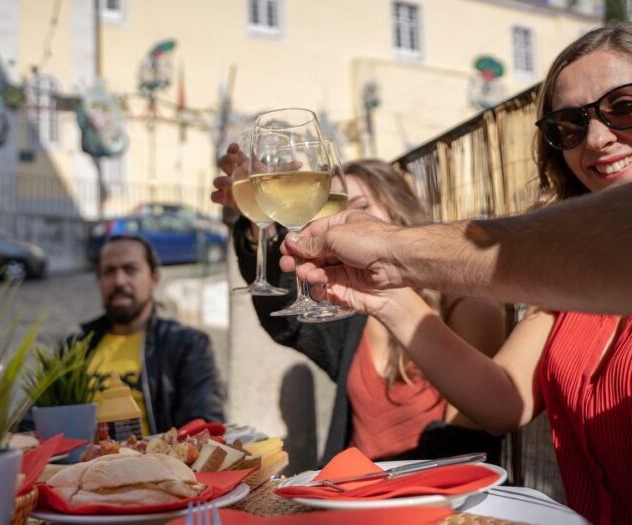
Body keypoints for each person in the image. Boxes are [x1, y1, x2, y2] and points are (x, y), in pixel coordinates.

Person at [283, 23, 632, 523]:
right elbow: (504, 402)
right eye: (569, 125)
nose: (598, 139)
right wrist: (389, 299)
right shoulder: (567, 282)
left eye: (624, 106)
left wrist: (391, 248)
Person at [214, 154, 507, 465]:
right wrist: (260, 224)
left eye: (361, 208)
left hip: (425, 504)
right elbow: (289, 318)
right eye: (336, 212)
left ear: (400, 212)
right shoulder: (356, 310)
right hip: (350, 499)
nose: (347, 224)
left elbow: (468, 444)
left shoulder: (466, 308)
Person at [69, 235, 225, 434]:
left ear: (154, 278)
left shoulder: (187, 345)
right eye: (109, 271)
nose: (119, 281)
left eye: (130, 269)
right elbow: (33, 423)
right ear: (99, 280)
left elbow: (206, 426)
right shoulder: (74, 349)